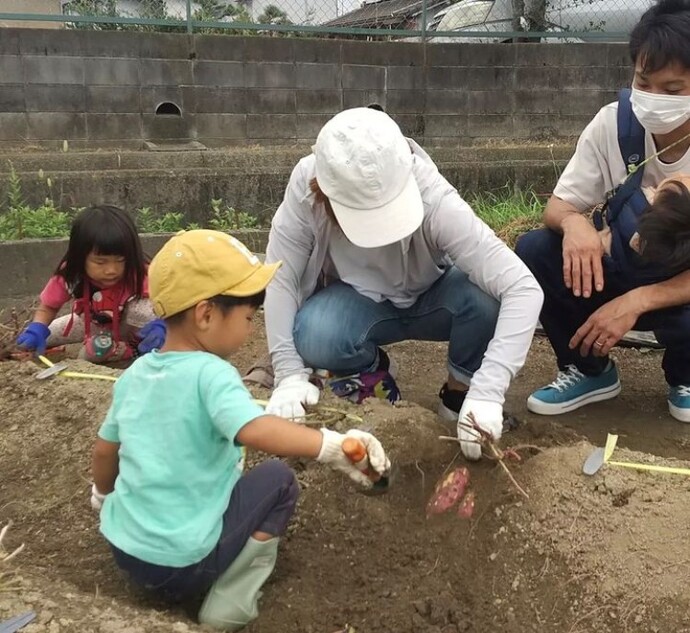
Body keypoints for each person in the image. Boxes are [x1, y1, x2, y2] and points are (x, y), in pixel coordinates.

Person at [90, 229, 389, 632]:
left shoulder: (135, 375)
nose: (250, 329)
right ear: (206, 313)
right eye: (248, 317)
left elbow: (105, 450)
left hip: (124, 550)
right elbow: (254, 428)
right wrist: (330, 445)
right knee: (279, 481)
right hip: (185, 564)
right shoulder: (212, 374)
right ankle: (229, 604)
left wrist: (103, 496)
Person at [262, 106, 544, 460]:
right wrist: (288, 372)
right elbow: (281, 277)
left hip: (436, 296)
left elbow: (522, 287)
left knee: (489, 297)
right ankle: (370, 373)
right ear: (327, 196)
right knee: (315, 333)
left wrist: (488, 391)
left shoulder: (435, 200)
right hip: (358, 302)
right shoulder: (307, 189)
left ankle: (461, 393)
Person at [515, 0, 690, 422]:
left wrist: (637, 300)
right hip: (620, 262)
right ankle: (588, 369)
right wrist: (575, 224)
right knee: (537, 249)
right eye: (643, 81)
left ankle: (686, 375)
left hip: (679, 288)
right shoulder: (613, 124)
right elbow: (558, 205)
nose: (652, 99)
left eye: (672, 90)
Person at [15, 205, 164, 362]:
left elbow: (173, 303)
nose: (111, 270)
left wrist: (164, 326)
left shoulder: (141, 271)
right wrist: (38, 328)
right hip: (93, 324)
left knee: (87, 356)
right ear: (80, 256)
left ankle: (132, 351)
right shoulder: (72, 273)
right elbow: (49, 306)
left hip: (137, 328)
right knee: (33, 338)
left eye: (120, 260)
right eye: (100, 262)